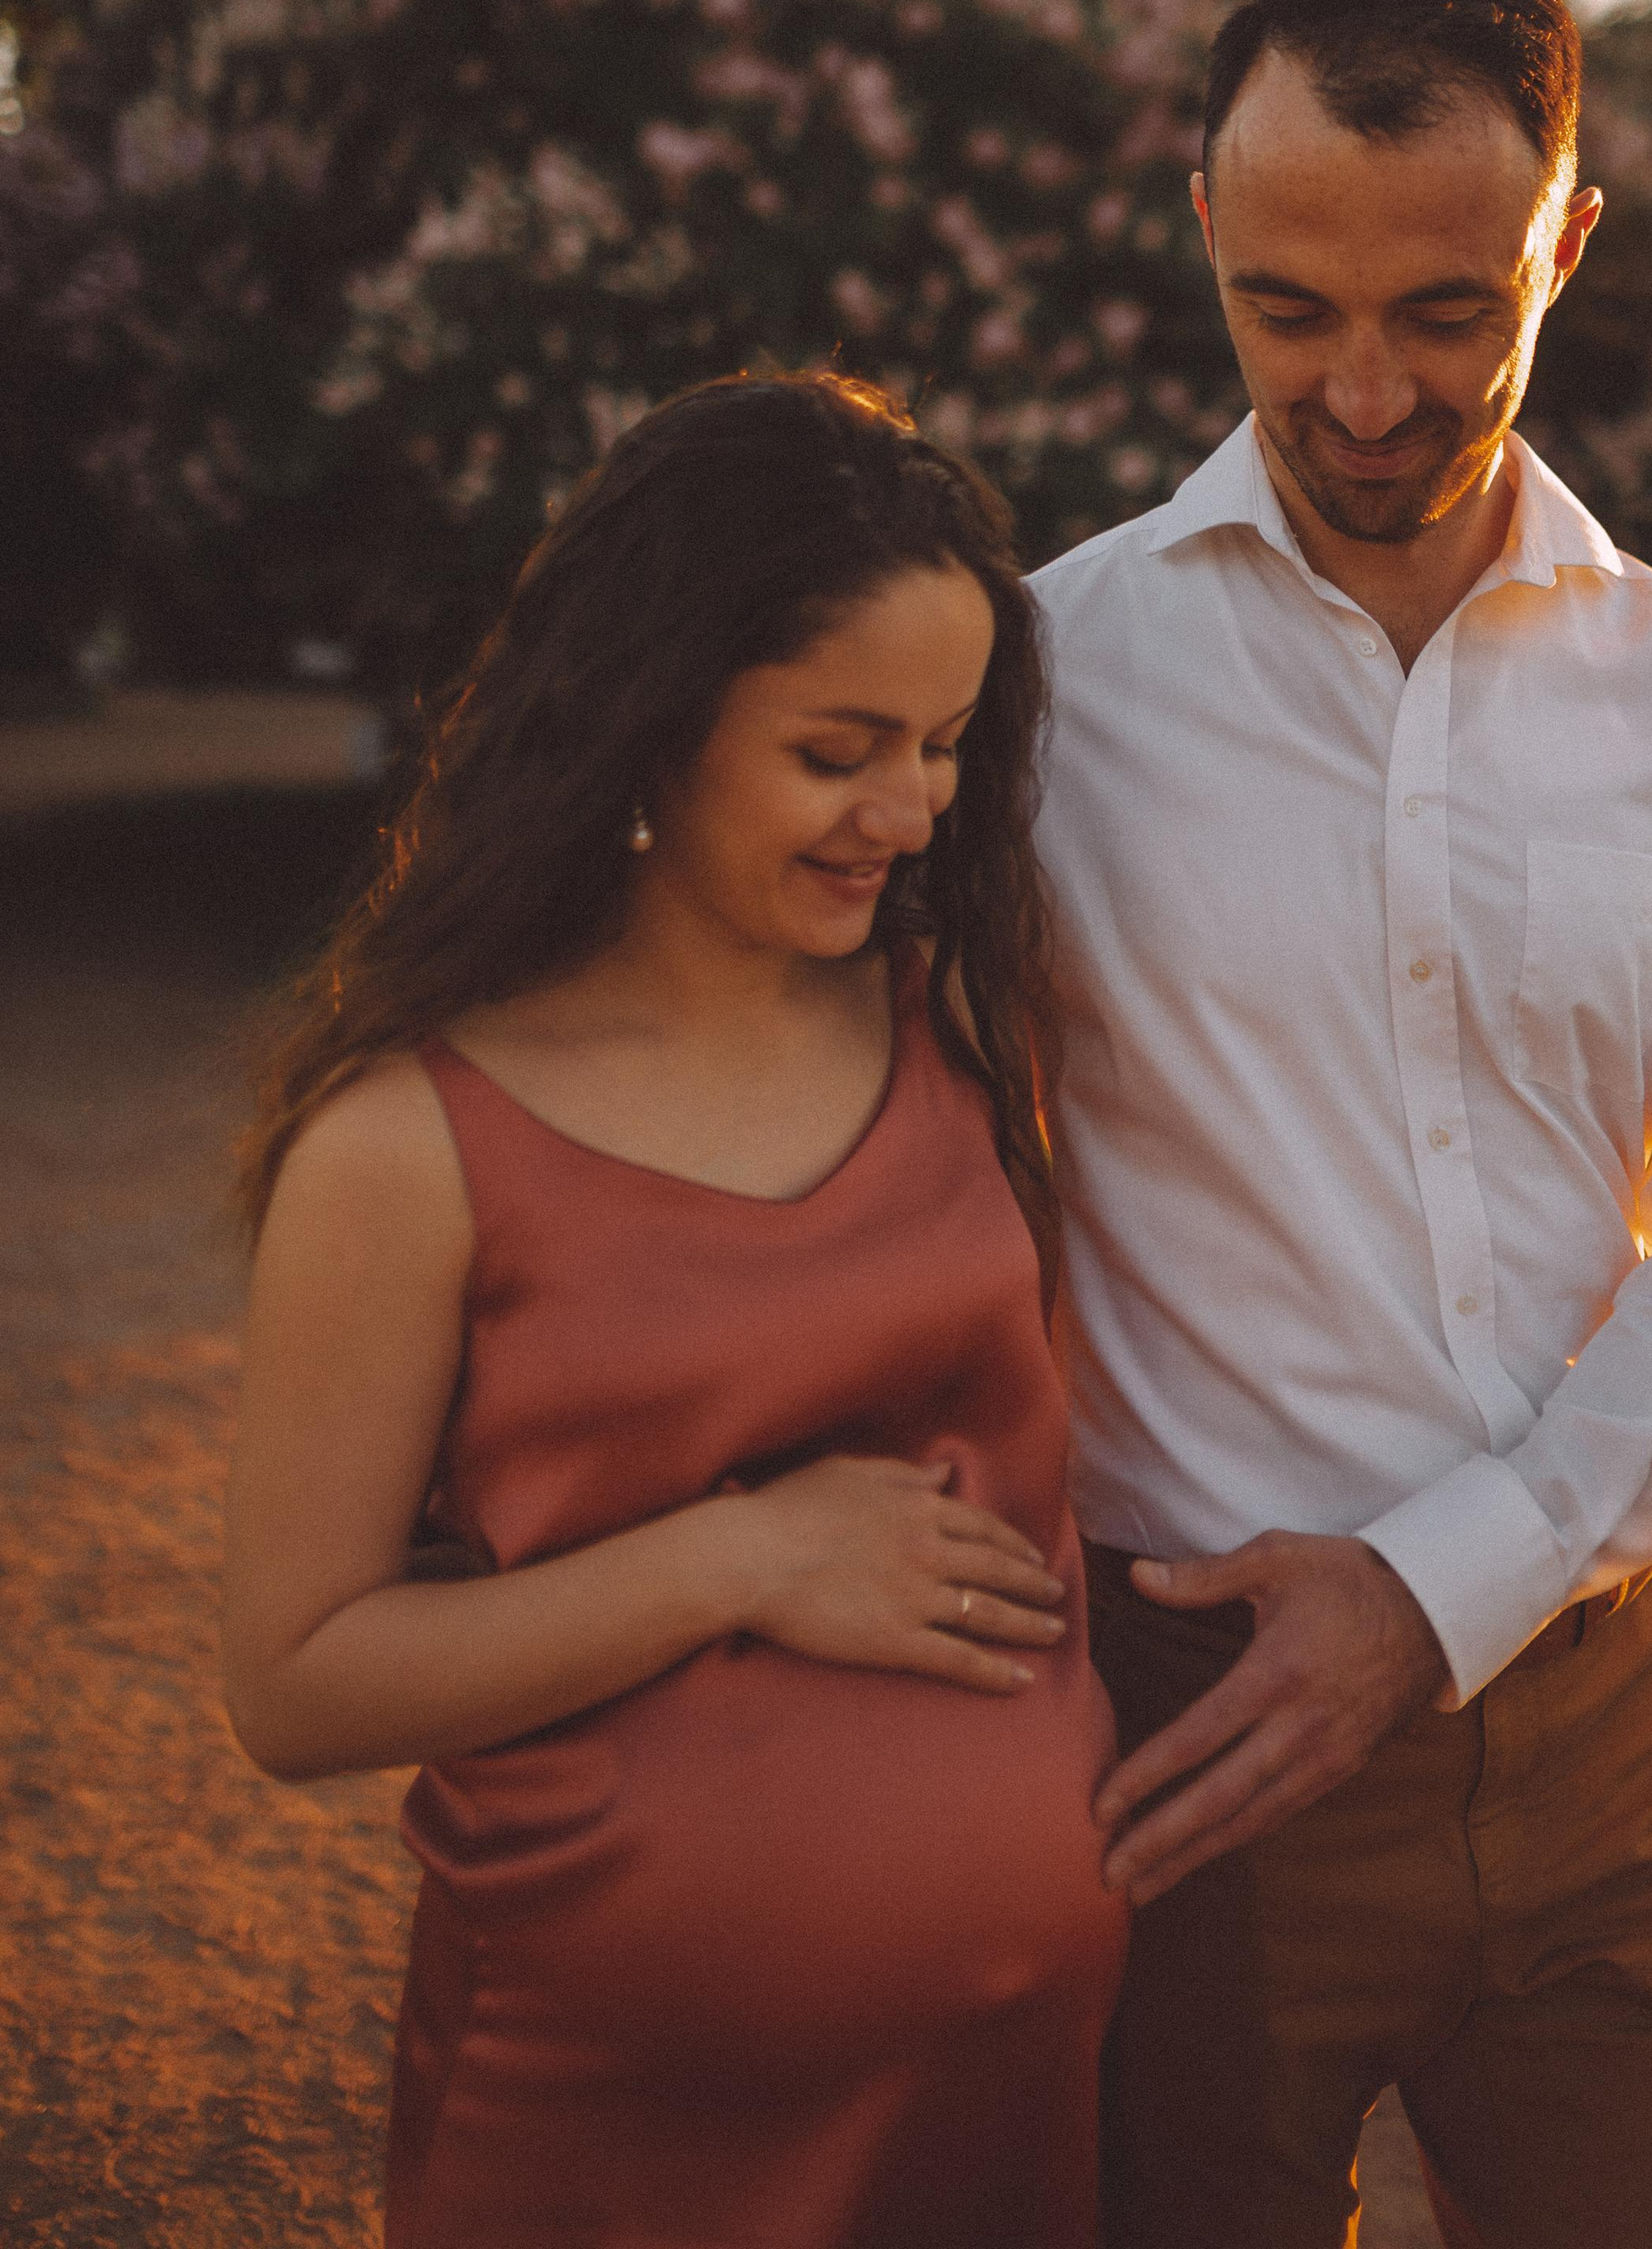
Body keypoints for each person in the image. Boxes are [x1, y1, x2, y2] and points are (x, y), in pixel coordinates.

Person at [1030, 0, 1652, 2249]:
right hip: (1190, 1746)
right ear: (1204, 224)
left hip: (1609, 1731)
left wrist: (1440, 1591)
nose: (1366, 392)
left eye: (1445, 311)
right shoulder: (1040, 683)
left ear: (1564, 244)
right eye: (1286, 309)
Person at [222, 373, 1127, 2249]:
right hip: (606, 2137)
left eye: (946, 743)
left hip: (1002, 2110)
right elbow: (296, 1683)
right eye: (838, 751)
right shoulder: (407, 1144)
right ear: (648, 718)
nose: (911, 810)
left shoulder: (973, 1022)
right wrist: (741, 1558)